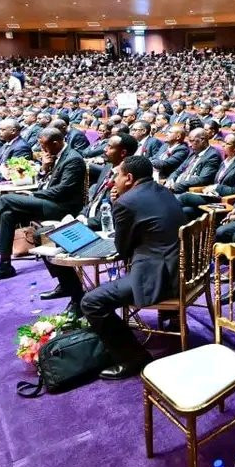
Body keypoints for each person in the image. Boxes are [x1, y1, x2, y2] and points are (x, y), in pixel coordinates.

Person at [80, 155, 186, 379]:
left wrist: (117, 204)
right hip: (181, 266)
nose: (114, 180)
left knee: (91, 302)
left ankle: (133, 358)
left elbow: (123, 250)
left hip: (160, 276)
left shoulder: (126, 202)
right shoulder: (163, 190)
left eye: (117, 175)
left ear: (129, 178)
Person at [0, 127, 86, 283]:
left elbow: (62, 190)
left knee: (5, 200)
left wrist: (32, 195)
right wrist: (44, 168)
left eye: (44, 146)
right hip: (48, 201)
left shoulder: (73, 159)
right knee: (8, 215)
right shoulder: (54, 155)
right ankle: (4, 266)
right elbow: (46, 183)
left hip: (62, 208)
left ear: (56, 143)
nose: (42, 149)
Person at [40, 136, 133, 314]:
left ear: (122, 152)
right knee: (43, 234)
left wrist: (85, 222)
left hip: (105, 226)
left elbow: (118, 213)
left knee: (55, 237)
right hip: (89, 218)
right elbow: (93, 200)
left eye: (109, 147)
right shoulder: (108, 168)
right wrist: (81, 216)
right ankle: (69, 286)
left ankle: (76, 298)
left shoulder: (128, 175)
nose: (104, 149)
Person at [175, 132, 235, 219]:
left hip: (223, 200)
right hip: (212, 196)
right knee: (186, 211)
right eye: (223, 142)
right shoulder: (225, 161)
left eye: (227, 143)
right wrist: (209, 189)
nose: (223, 145)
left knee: (185, 197)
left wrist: (216, 187)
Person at [163, 127, 222, 193]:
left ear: (202, 140)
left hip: (189, 191)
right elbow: (178, 171)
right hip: (176, 186)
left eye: (192, 141)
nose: (190, 145)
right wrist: (170, 181)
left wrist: (176, 185)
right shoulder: (194, 152)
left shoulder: (212, 156)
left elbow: (203, 179)